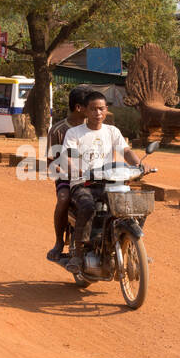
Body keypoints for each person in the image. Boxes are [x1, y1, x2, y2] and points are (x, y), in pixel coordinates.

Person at [60, 91, 150, 275]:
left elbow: (126, 151)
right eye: (93, 109)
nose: (98, 113)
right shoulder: (74, 133)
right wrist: (76, 169)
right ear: (85, 111)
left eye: (101, 109)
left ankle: (132, 245)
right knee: (87, 206)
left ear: (106, 110)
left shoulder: (112, 131)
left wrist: (139, 164)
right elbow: (68, 157)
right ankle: (78, 253)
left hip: (111, 182)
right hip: (84, 183)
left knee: (138, 205)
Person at [45, 86, 92, 262]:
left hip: (93, 177)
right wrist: (68, 172)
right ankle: (58, 242)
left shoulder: (95, 129)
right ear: (79, 108)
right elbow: (50, 164)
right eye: (91, 106)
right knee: (63, 198)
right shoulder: (57, 130)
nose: (95, 110)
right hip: (66, 178)